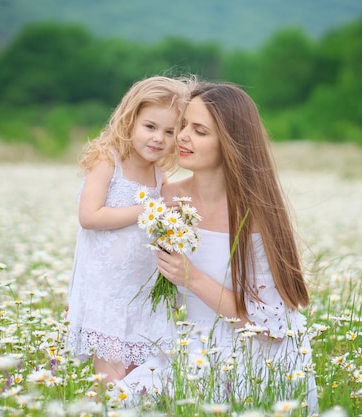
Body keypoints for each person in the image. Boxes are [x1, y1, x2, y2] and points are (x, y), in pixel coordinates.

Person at [121, 82, 318, 414]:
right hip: (185, 346)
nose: (182, 136)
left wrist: (192, 278)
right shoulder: (165, 200)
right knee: (118, 401)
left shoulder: (255, 215)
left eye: (199, 131)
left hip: (255, 358)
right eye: (183, 125)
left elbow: (268, 325)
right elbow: (133, 283)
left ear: (230, 143)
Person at [66, 76, 189, 383]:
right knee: (112, 380)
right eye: (150, 127)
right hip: (106, 291)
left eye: (169, 131)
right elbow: (90, 216)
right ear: (130, 121)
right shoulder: (109, 160)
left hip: (142, 289)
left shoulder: (158, 174)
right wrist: (149, 209)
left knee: (142, 378)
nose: (159, 138)